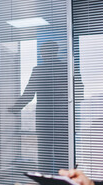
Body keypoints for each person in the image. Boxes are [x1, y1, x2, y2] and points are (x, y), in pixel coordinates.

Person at [10, 41, 83, 174]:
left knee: (45, 157)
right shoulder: (68, 67)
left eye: (43, 52)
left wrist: (14, 109)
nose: (42, 55)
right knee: (63, 157)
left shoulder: (39, 70)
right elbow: (80, 93)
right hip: (64, 121)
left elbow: (28, 94)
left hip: (46, 122)